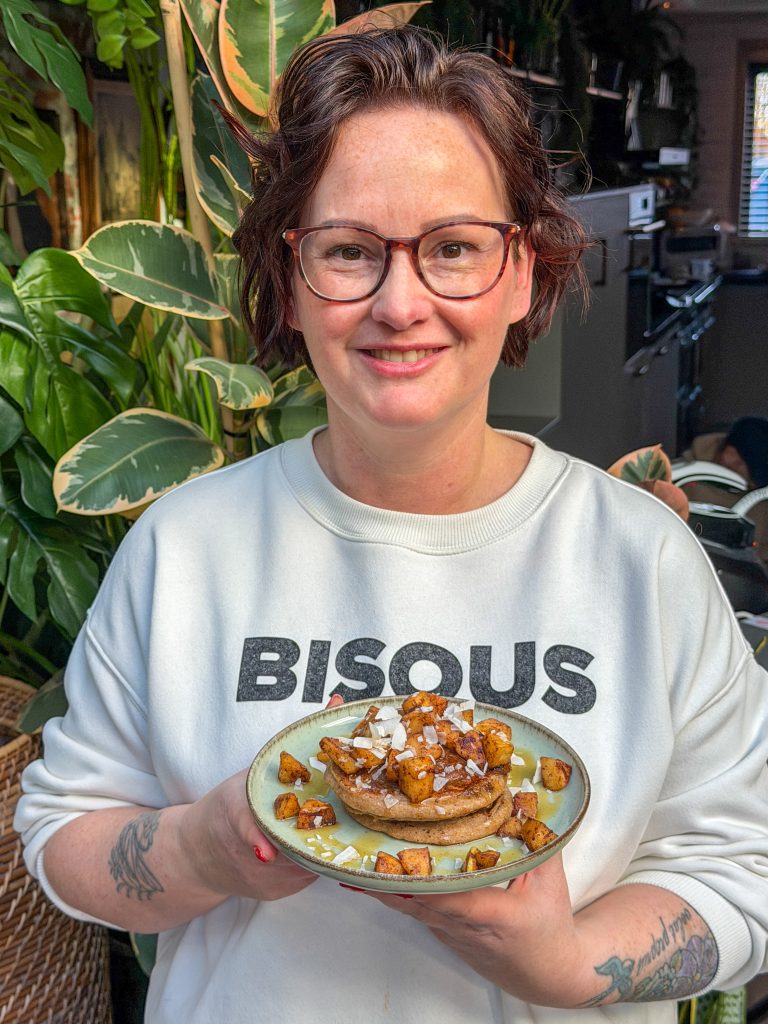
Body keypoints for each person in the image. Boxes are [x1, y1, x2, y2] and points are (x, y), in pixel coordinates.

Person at [15, 27, 768, 1024]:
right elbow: (64, 835)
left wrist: (563, 959)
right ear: (290, 277)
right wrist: (205, 845)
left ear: (522, 273)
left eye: (453, 247)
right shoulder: (186, 547)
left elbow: (743, 866)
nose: (399, 302)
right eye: (350, 251)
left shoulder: (640, 558)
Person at [678, 417, 768, 563]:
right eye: (753, 476)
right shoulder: (682, 481)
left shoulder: (759, 500)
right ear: (730, 456)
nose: (755, 485)